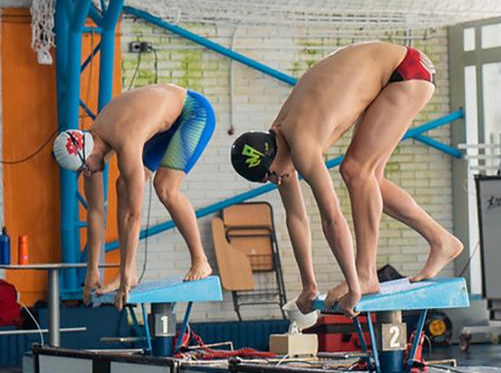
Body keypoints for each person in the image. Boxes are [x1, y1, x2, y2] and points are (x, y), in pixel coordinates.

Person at [230, 41, 463, 317]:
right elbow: (296, 218)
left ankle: (366, 275)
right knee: (369, 177)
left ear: (272, 155)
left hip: (406, 71)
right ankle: (442, 241)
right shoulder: (280, 144)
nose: (275, 181)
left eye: (270, 175)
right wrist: (309, 285)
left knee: (356, 171)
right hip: (393, 74)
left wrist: (354, 285)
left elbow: (332, 219)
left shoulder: (301, 142)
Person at [52, 83, 216, 309]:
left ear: (90, 151)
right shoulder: (91, 143)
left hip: (193, 113)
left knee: (165, 187)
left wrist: (124, 281)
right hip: (165, 121)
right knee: (122, 184)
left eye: (85, 167)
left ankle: (200, 260)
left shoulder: (125, 139)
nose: (87, 172)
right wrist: (92, 270)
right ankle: (127, 273)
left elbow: (133, 214)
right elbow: (95, 211)